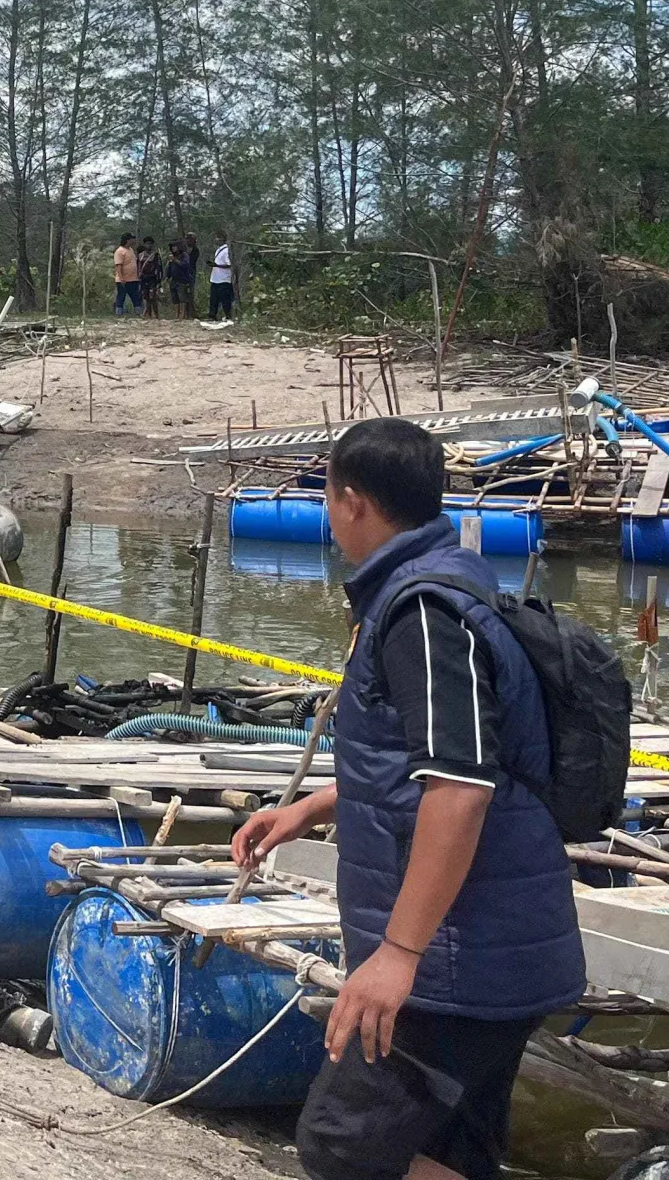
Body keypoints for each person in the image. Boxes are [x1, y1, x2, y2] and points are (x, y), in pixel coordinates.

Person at [230, 418, 582, 1180]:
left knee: (343, 1145)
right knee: (448, 1150)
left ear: (352, 500)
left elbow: (460, 788)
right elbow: (417, 760)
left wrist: (399, 954)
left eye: (327, 498)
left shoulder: (423, 611)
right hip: (484, 947)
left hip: (461, 957)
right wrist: (315, 806)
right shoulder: (441, 579)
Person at [208, 232, 237, 321]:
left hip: (223, 279)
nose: (215, 240)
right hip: (215, 278)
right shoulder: (219, 250)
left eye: (217, 238)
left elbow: (229, 264)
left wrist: (216, 265)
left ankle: (228, 316)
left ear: (222, 239)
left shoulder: (226, 251)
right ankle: (212, 315)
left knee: (225, 300)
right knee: (214, 299)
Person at [166, 235, 197, 318]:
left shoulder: (184, 255)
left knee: (182, 298)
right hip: (173, 280)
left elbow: (186, 265)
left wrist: (175, 260)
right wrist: (167, 276)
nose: (173, 248)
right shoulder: (171, 256)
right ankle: (176, 314)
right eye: (172, 247)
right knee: (175, 298)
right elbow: (169, 267)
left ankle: (182, 314)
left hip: (182, 280)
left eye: (175, 246)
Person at [112, 233, 141, 314]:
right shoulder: (119, 251)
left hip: (133, 279)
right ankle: (119, 312)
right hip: (124, 280)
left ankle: (138, 312)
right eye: (132, 239)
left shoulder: (131, 250)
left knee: (135, 297)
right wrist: (121, 278)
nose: (133, 241)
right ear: (127, 240)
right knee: (121, 297)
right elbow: (118, 266)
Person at [137, 236, 163, 319]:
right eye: (147, 244)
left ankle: (156, 315)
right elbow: (138, 267)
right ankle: (149, 315)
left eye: (150, 244)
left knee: (153, 296)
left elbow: (159, 268)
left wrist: (159, 280)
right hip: (144, 278)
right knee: (146, 297)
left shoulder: (155, 255)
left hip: (153, 278)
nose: (149, 245)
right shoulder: (140, 255)